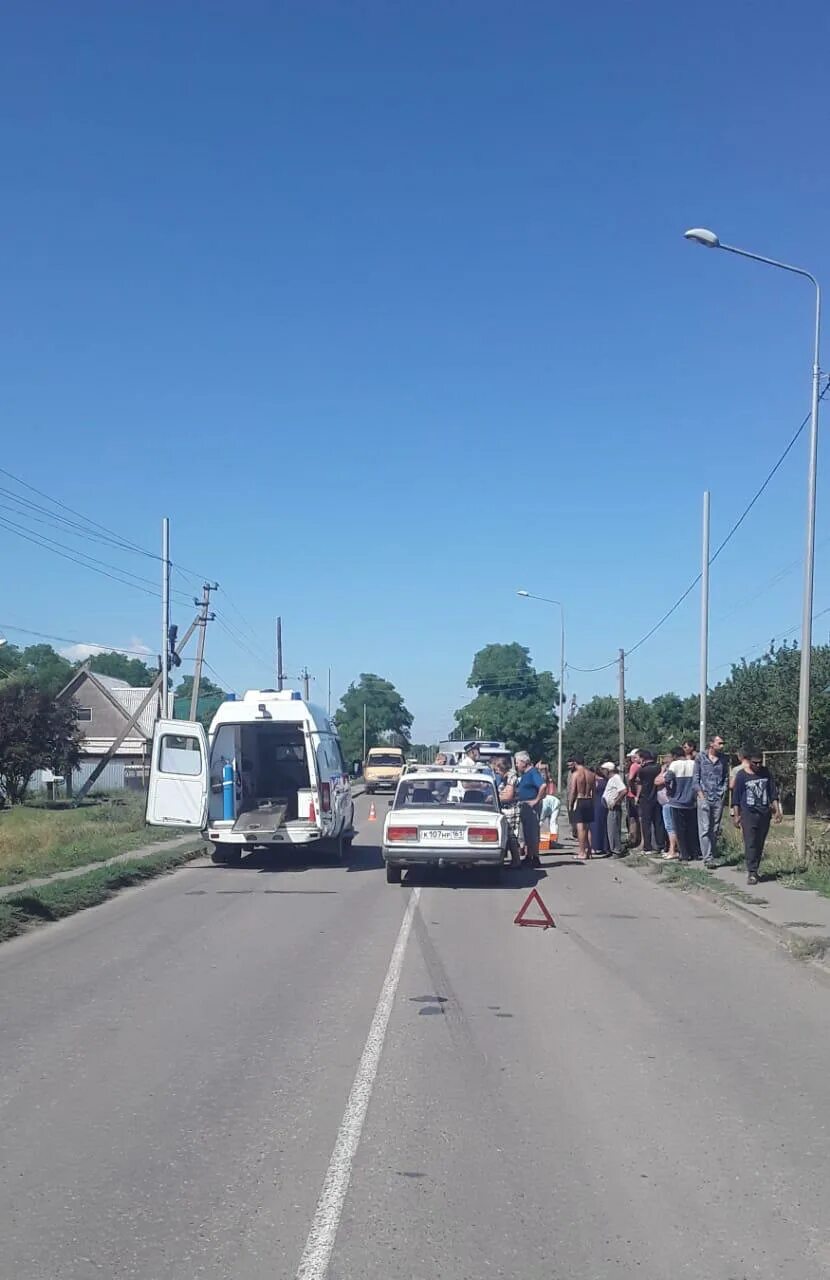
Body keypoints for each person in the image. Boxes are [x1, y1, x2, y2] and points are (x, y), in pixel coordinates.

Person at [732, 747, 782, 885]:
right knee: (750, 842)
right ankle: (752, 872)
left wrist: (777, 810)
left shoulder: (766, 773)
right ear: (749, 761)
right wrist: (736, 815)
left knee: (759, 843)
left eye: (760, 762)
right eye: (755, 763)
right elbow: (736, 797)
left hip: (764, 813)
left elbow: (773, 792)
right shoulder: (742, 775)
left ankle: (756, 868)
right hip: (748, 813)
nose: (758, 765)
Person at [693, 733, 729, 868]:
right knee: (705, 828)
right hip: (704, 796)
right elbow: (695, 778)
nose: (722, 745)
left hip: (718, 796)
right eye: (720, 743)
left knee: (714, 828)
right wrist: (701, 795)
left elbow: (725, 776)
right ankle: (707, 858)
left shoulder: (724, 759)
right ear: (711, 744)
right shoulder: (700, 758)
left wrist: (723, 792)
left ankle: (713, 853)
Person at [665, 746, 698, 860]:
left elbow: (667, 779)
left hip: (677, 802)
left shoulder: (674, 765)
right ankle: (694, 852)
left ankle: (684, 854)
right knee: (691, 828)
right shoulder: (693, 763)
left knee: (679, 829)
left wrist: (670, 792)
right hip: (691, 801)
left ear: (674, 756)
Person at [514, 751, 546, 866]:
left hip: (531, 806)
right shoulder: (525, 774)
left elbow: (543, 786)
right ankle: (529, 856)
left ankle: (535, 857)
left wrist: (536, 800)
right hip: (524, 805)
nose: (516, 765)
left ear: (524, 762)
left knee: (532, 832)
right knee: (526, 832)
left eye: (517, 762)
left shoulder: (533, 772)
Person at [636, 750, 666, 854]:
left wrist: (637, 796)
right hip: (658, 798)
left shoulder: (642, 770)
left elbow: (639, 784)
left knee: (646, 823)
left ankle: (648, 847)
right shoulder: (659, 768)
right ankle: (661, 845)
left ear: (643, 758)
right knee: (659, 822)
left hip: (646, 798)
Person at [567, 754, 596, 861]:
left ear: (575, 763)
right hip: (589, 800)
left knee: (580, 827)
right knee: (588, 827)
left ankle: (582, 852)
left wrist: (570, 803)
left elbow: (573, 790)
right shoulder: (591, 774)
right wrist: (593, 803)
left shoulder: (576, 774)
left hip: (580, 799)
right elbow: (594, 791)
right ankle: (589, 851)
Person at [656, 749, 681, 860]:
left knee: (671, 827)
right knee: (669, 827)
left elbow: (657, 781)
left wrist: (662, 771)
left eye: (667, 757)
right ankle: (671, 849)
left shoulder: (670, 771)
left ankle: (673, 850)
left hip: (669, 802)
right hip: (665, 803)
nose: (665, 759)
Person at [601, 762, 626, 856]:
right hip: (610, 808)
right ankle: (613, 849)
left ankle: (617, 851)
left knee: (613, 830)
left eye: (603, 770)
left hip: (614, 808)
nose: (602, 772)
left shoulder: (616, 778)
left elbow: (623, 790)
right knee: (611, 829)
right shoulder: (611, 779)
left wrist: (616, 801)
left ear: (608, 770)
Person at [538, 764, 561, 846]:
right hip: (553, 801)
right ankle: (553, 842)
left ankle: (536, 840)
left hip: (548, 801)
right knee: (553, 822)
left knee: (540, 822)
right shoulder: (547, 778)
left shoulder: (540, 778)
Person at [591, 764, 608, 855]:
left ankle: (596, 846)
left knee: (595, 825)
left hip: (596, 803)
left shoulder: (595, 782)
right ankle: (604, 846)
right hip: (603, 803)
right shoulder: (606, 781)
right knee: (603, 824)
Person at [626, 749, 642, 849]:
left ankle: (633, 839)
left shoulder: (634, 766)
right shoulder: (640, 766)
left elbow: (631, 778)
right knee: (637, 818)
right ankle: (636, 839)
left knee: (633, 818)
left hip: (632, 795)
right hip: (636, 795)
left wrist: (632, 788)